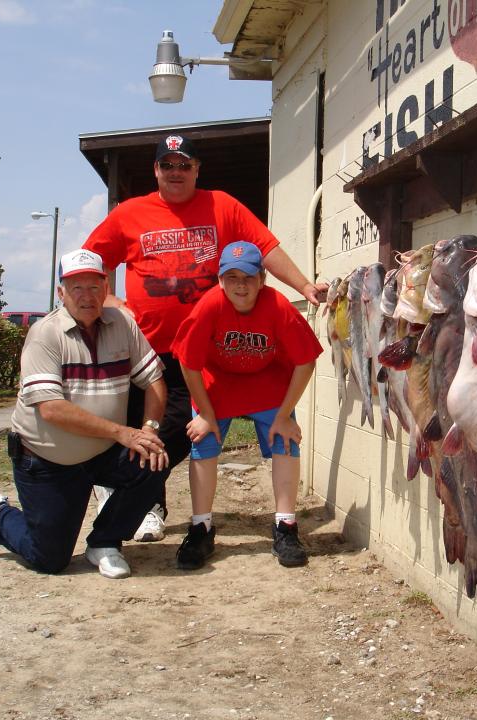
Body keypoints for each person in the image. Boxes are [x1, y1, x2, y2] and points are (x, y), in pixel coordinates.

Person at [83, 133, 327, 544]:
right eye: (168, 165)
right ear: (156, 170)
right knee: (145, 425)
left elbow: (264, 248)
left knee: (180, 432)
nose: (176, 172)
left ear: (197, 169)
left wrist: (304, 285)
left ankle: (146, 500)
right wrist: (108, 297)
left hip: (206, 350)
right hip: (148, 347)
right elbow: (93, 260)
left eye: (185, 165)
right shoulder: (129, 213)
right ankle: (149, 506)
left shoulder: (222, 205)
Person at [0, 248, 170, 579]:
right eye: (76, 288)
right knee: (49, 558)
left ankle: (105, 542)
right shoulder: (44, 334)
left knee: (155, 456)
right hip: (48, 462)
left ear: (106, 289)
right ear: (61, 293)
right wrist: (123, 433)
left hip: (101, 454)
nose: (86, 296)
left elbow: (154, 380)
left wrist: (148, 428)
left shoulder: (123, 324)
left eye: (94, 286)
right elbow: (52, 410)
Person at [171, 241, 324, 569]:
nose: (241, 285)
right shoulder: (210, 305)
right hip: (219, 381)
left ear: (262, 279)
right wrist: (205, 413)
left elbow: (306, 361)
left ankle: (285, 525)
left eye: (249, 277)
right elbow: (188, 362)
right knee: (202, 439)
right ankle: (201, 528)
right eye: (232, 277)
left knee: (285, 438)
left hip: (266, 379)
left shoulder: (277, 305)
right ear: (220, 280)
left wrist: (284, 416)